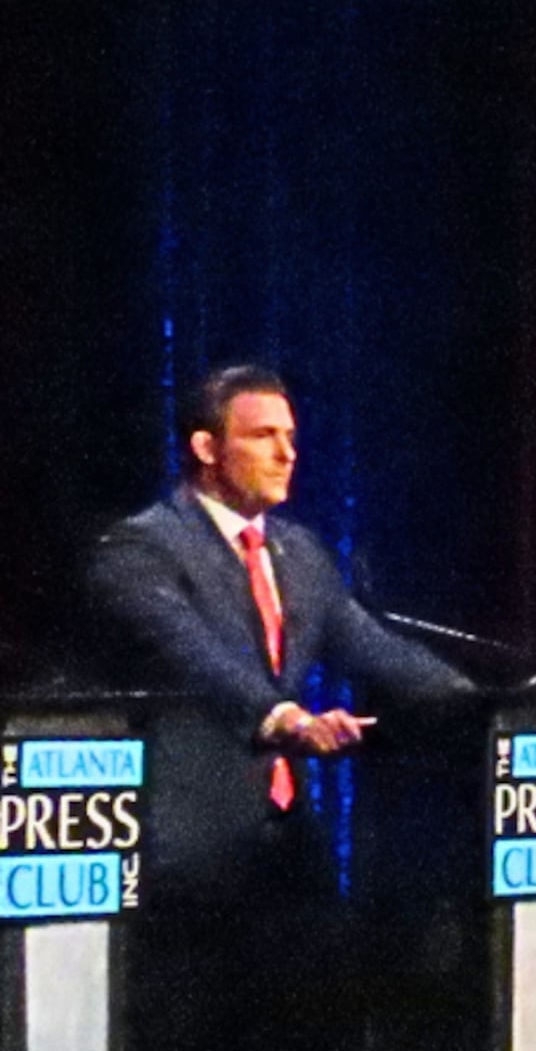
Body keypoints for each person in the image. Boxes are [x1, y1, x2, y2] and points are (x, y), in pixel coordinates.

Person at [84, 365, 475, 903]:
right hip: (184, 858)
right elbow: (195, 656)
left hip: (286, 848)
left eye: (290, 437)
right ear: (206, 447)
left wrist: (476, 706)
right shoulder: (142, 550)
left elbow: (374, 648)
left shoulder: (300, 555)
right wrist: (286, 719)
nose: (287, 454)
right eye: (263, 436)